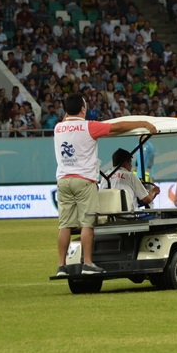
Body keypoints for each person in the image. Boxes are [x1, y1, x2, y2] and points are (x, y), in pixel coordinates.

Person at [54, 93, 157, 277]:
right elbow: (118, 127)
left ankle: (61, 266)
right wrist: (143, 124)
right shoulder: (89, 127)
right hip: (84, 180)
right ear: (83, 109)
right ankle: (88, 263)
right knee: (87, 223)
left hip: (63, 180)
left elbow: (68, 118)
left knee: (65, 225)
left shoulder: (58, 128)